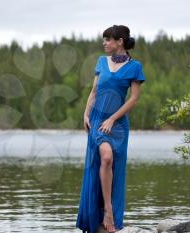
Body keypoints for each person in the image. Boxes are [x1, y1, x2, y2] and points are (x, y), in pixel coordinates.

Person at [76, 25, 146, 233]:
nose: (104, 43)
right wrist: (86, 113)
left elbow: (133, 99)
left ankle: (111, 214)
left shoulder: (135, 67)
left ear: (120, 41)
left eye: (108, 39)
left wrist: (113, 119)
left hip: (118, 125)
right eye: (104, 39)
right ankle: (107, 211)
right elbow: (94, 90)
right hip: (98, 119)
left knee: (114, 167)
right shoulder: (101, 62)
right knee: (105, 158)